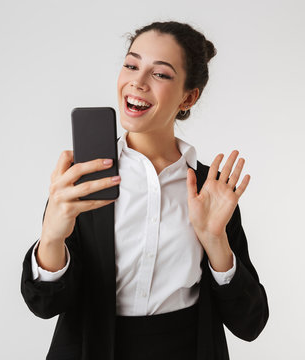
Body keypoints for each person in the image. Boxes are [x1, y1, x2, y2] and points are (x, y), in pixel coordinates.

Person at [20, 21, 269, 360]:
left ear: (188, 96)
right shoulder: (83, 178)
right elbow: (45, 305)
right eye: (131, 65)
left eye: (161, 74)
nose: (137, 81)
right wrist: (51, 238)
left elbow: (250, 323)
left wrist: (215, 241)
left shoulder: (212, 191)